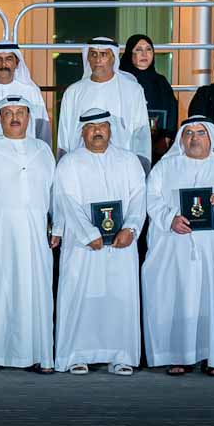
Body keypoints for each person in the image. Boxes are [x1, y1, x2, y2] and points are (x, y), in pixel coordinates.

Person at [143, 117, 214, 375]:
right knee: (177, 297)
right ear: (181, 139)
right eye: (188, 133)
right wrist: (170, 219)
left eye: (201, 133)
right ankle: (178, 355)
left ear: (211, 138)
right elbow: (151, 199)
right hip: (174, 248)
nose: (194, 138)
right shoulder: (164, 168)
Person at [0, 96, 57, 374]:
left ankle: (38, 356)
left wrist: (59, 226)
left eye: (20, 112)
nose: (15, 117)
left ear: (29, 117)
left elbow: (55, 193)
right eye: (8, 113)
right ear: (0, 117)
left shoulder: (42, 150)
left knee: (35, 293)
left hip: (35, 236)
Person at [51, 109, 145, 376]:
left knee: (119, 297)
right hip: (83, 246)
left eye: (102, 126)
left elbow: (139, 197)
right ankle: (76, 355)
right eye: (90, 127)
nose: (97, 131)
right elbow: (66, 201)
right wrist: (88, 233)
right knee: (80, 296)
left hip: (121, 245)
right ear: (82, 132)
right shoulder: (69, 163)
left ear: (111, 129)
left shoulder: (128, 161)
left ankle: (121, 355)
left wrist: (131, 228)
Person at [57, 37, 150, 159]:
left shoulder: (132, 90)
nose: (98, 60)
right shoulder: (73, 92)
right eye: (93, 54)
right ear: (88, 58)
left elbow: (141, 135)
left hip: (122, 167)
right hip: (81, 167)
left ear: (113, 58)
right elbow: (64, 137)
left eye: (104, 54)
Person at [123, 33, 178, 161]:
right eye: (138, 50)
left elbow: (172, 109)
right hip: (128, 147)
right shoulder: (121, 81)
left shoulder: (161, 81)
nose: (144, 54)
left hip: (159, 147)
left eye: (148, 49)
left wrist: (167, 137)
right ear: (129, 54)